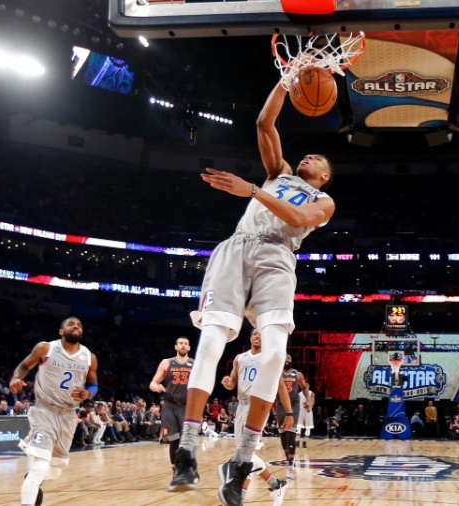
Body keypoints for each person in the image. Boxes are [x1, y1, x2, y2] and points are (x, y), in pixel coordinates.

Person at [169, 76, 335, 506]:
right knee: (211, 340)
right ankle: (186, 448)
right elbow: (264, 123)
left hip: (278, 258)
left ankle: (243, 460)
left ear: (324, 177)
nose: (309, 155)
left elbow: (298, 221)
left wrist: (253, 191)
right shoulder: (279, 171)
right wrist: (285, 81)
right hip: (236, 249)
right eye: (308, 153)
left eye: (318, 158)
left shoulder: (323, 202)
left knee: (275, 353)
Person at [10, 317, 99, 506]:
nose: (76, 326)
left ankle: (32, 474)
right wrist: (15, 378)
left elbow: (94, 384)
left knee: (54, 471)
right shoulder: (46, 348)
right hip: (45, 411)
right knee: (40, 467)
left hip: (68, 416)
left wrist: (88, 393)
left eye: (79, 325)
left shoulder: (89, 356)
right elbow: (25, 366)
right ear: (61, 331)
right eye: (71, 324)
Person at [221, 328, 290, 506]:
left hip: (258, 407)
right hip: (242, 406)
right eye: (254, 334)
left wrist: (288, 412)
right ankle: (275, 485)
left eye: (261, 334)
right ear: (250, 338)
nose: (257, 336)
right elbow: (233, 381)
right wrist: (228, 383)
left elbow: (281, 387)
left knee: (246, 452)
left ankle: (240, 496)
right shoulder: (240, 358)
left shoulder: (269, 359)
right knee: (244, 453)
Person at [150, 336, 194, 476]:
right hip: (170, 405)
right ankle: (176, 470)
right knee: (173, 438)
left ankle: (188, 466)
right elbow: (152, 383)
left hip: (187, 405)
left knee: (187, 439)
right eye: (180, 343)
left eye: (185, 344)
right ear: (176, 347)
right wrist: (156, 386)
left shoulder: (195, 364)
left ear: (189, 348)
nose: (183, 346)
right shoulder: (166, 362)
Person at [276, 354, 310, 480]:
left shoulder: (297, 374)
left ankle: (290, 465)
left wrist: (308, 400)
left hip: (294, 404)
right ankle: (289, 460)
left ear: (291, 361)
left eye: (289, 358)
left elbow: (305, 387)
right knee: (283, 435)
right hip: (280, 405)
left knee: (290, 433)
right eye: (284, 358)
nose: (286, 360)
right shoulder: (277, 373)